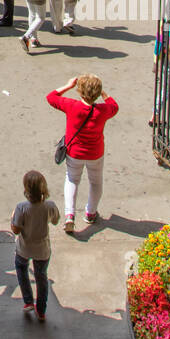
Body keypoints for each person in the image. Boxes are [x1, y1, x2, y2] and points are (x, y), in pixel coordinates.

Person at [46, 74, 119, 232]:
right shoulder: (103, 110)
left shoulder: (72, 106)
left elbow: (51, 97)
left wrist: (68, 85)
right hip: (95, 153)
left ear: (80, 92)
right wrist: (104, 95)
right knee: (96, 183)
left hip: (74, 153)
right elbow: (114, 106)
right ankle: (90, 213)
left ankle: (69, 215)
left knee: (72, 180)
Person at [10, 171, 59, 321]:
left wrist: (13, 219)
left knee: (21, 268)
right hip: (43, 249)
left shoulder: (21, 207)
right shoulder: (49, 206)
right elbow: (56, 220)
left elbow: (16, 230)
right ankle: (41, 309)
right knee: (41, 276)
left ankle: (28, 301)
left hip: (24, 248)